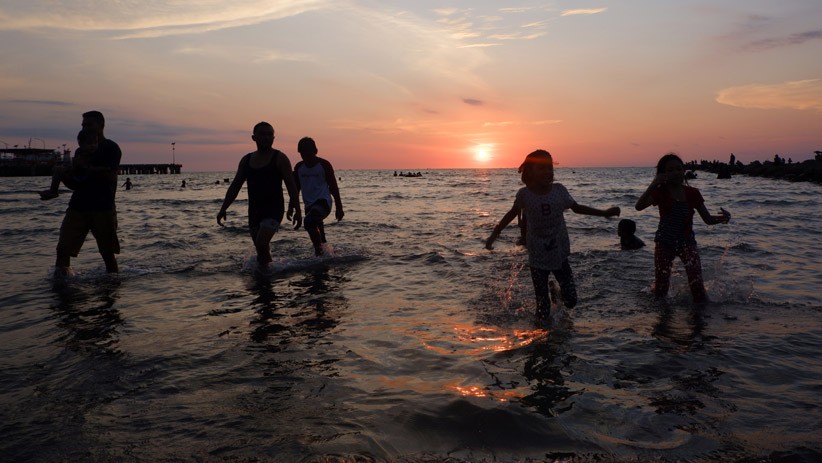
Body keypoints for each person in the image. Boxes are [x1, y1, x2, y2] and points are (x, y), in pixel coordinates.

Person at [485, 149, 620, 320]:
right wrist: (494, 234)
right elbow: (511, 214)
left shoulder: (559, 191)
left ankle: (556, 292)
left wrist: (604, 213)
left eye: (550, 168)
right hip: (537, 255)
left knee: (571, 300)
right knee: (542, 309)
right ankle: (543, 342)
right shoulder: (524, 195)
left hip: (559, 252)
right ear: (530, 171)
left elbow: (577, 208)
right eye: (541, 168)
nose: (547, 172)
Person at [635, 152, 730, 303]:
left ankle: (700, 319)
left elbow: (708, 219)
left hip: (687, 242)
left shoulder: (692, 193)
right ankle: (663, 321)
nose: (676, 173)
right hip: (664, 243)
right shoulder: (660, 192)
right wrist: (653, 183)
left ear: (684, 170)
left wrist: (724, 218)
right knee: (661, 289)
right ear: (663, 174)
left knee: (697, 285)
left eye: (679, 169)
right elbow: (638, 207)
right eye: (670, 170)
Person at [217, 122, 301, 271]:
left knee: (262, 243)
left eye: (270, 134)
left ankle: (267, 278)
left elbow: (291, 185)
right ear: (254, 138)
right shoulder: (246, 160)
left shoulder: (280, 158)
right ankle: (266, 281)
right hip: (255, 211)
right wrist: (223, 208)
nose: (266, 137)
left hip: (274, 209)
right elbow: (235, 185)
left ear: (274, 137)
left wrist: (297, 210)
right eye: (262, 134)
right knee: (261, 250)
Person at [52, 110, 122, 275]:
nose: (85, 128)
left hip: (103, 208)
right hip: (78, 207)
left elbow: (110, 176)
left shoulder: (111, 148)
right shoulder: (79, 152)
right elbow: (77, 184)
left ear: (101, 126)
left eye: (89, 124)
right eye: (83, 125)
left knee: (107, 253)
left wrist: (87, 169)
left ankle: (112, 288)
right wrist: (62, 177)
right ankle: (62, 285)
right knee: (63, 249)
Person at [293, 137, 344, 256]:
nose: (306, 157)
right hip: (309, 205)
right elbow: (296, 189)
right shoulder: (299, 167)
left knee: (309, 222)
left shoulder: (324, 165)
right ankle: (327, 256)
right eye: (303, 154)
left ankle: (319, 253)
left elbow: (334, 188)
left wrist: (339, 208)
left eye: (308, 153)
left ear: (315, 151)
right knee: (320, 234)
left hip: (323, 202)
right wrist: (293, 208)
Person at [39, 128, 99, 200]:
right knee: (58, 169)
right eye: (90, 143)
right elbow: (75, 169)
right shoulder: (79, 152)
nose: (93, 145)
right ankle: (53, 191)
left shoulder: (98, 154)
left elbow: (103, 169)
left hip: (89, 182)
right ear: (81, 144)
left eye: (95, 143)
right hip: (77, 180)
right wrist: (70, 168)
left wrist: (85, 167)